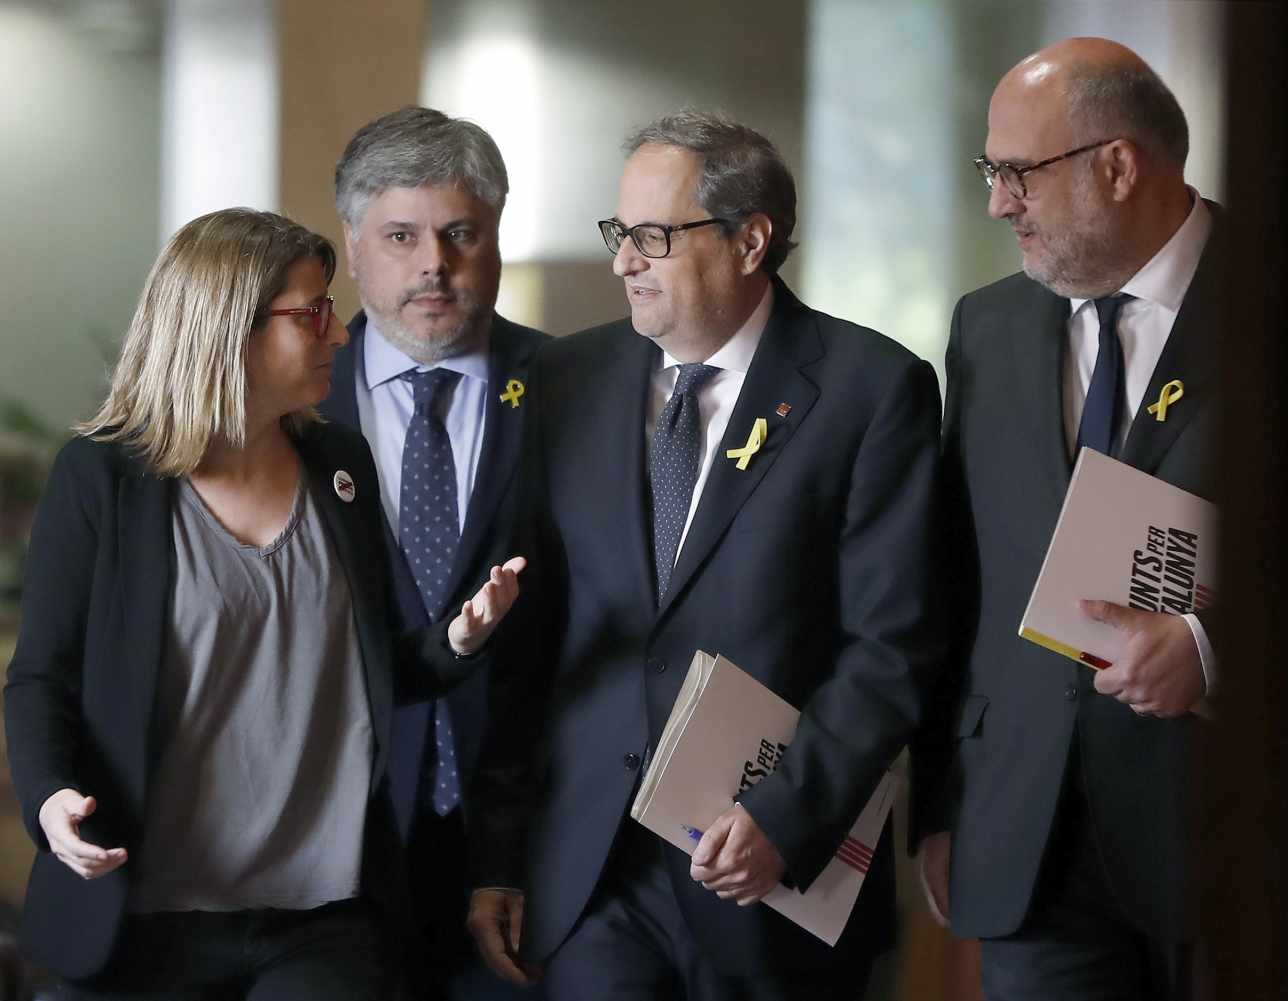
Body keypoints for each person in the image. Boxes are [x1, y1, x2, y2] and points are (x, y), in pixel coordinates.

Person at [464, 110, 946, 1001]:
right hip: (594, 872)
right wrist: (500, 852)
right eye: (620, 234)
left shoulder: (871, 390)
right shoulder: (567, 381)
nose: (622, 262)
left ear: (750, 240)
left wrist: (785, 813)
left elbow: (893, 644)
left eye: (652, 235)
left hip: (769, 876)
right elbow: (530, 645)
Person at [2, 208, 523, 999]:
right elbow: (42, 675)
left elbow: (374, 669)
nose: (339, 333)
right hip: (143, 914)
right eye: (312, 312)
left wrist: (456, 638)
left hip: (326, 916)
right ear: (227, 327)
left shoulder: (339, 466)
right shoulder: (103, 480)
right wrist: (50, 800)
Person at [911, 37, 1221, 1001]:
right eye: (990, 172)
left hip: (1229, 826)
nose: (998, 202)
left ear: (1118, 167)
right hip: (1028, 839)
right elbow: (951, 578)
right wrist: (941, 802)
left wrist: (1212, 643)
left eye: (1016, 173)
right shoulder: (987, 325)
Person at [321, 106, 546, 1001]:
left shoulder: (580, 389)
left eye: (461, 234)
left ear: (493, 238)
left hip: (523, 834)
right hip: (338, 843)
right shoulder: (288, 406)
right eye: (402, 235)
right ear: (352, 243)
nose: (433, 265)